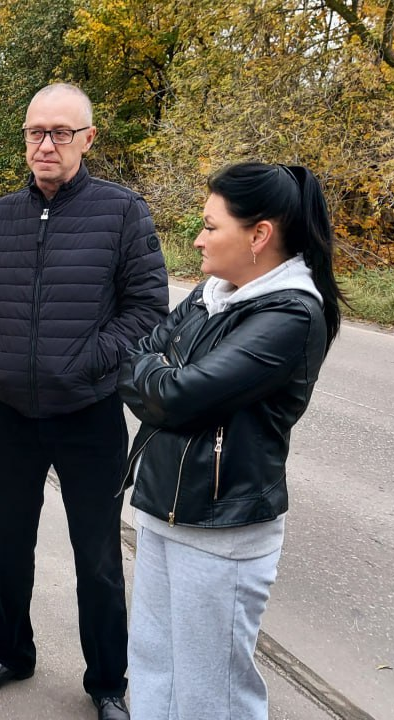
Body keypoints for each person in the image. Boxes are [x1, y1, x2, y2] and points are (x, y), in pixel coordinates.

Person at [0, 83, 168, 720]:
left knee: (98, 556)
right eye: (35, 133)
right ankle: (11, 654)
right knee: (9, 543)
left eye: (60, 133)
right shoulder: (0, 217)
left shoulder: (123, 212)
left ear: (88, 139)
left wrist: (86, 362)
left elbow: (146, 311)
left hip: (90, 414)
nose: (45, 144)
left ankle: (107, 681)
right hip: (14, 414)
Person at [116, 162, 344, 720]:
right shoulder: (213, 293)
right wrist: (161, 375)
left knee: (210, 688)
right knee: (153, 661)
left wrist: (162, 376)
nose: (197, 238)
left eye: (211, 226)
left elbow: (172, 397)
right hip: (162, 505)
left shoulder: (290, 313)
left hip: (224, 527)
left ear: (258, 235)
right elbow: (135, 358)